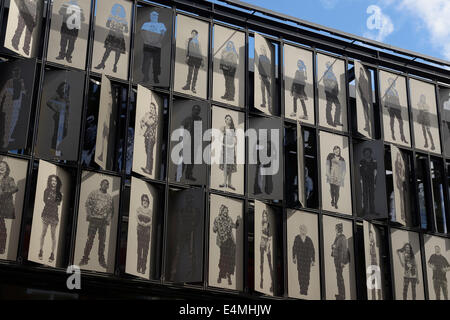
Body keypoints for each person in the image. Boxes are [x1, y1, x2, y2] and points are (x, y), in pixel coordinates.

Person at [79, 179, 114, 269]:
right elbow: (87, 204)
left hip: (103, 222)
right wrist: (89, 215)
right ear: (100, 184)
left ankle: (101, 260)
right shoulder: (94, 193)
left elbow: (111, 210)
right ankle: (85, 258)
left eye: (107, 184)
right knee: (90, 240)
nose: (105, 186)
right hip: (94, 220)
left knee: (102, 242)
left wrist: (108, 219)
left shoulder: (109, 197)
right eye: (104, 184)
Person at [169, 193, 201, 280]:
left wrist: (192, 226)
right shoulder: (182, 210)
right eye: (188, 199)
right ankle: (173, 273)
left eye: (191, 199)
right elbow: (179, 222)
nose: (189, 201)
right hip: (183, 233)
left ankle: (192, 274)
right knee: (178, 252)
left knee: (191, 254)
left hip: (190, 233)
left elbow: (197, 221)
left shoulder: (195, 210)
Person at [95, 4, 129, 73]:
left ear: (121, 11)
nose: (118, 10)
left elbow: (126, 30)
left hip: (119, 36)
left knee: (118, 52)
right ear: (115, 10)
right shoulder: (111, 16)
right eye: (117, 9)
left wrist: (121, 28)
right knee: (107, 51)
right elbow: (107, 24)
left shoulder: (124, 19)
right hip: (112, 35)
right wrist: (112, 25)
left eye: (119, 9)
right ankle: (102, 63)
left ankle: (115, 65)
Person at [213, 204, 240, 285]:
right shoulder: (217, 219)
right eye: (225, 211)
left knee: (230, 258)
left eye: (227, 211)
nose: (226, 212)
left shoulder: (229, 219)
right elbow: (214, 230)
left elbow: (235, 226)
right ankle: (220, 275)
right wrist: (216, 228)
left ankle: (229, 276)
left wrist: (238, 220)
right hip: (223, 241)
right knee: (223, 258)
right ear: (222, 211)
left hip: (230, 241)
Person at [38, 175, 62, 264]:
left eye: (55, 181)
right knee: (43, 233)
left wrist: (50, 200)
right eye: (52, 180)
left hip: (54, 216)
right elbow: (45, 201)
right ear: (50, 181)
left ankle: (52, 253)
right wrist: (52, 201)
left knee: (53, 235)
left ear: (57, 182)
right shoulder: (46, 190)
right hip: (46, 214)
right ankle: (40, 250)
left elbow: (58, 203)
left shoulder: (59, 193)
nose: (53, 182)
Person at [0, 67, 26, 148]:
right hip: (10, 105)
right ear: (13, 73)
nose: (17, 74)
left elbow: (24, 92)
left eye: (18, 72)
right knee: (8, 123)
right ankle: (6, 141)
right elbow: (2, 92)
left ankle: (8, 137)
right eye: (16, 72)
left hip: (16, 106)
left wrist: (22, 84)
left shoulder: (21, 82)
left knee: (13, 122)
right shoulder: (9, 82)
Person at [140, 10, 167, 83]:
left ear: (157, 17)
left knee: (156, 62)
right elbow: (142, 33)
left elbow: (163, 33)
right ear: (150, 16)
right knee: (146, 62)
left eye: (155, 15)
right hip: (147, 45)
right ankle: (145, 76)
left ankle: (156, 76)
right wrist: (147, 40)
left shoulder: (161, 24)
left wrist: (157, 41)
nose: (154, 17)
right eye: (152, 15)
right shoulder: (146, 24)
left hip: (157, 46)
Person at [47, 81, 70, 157]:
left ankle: (55, 149)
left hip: (65, 117)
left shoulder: (66, 97)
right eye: (64, 86)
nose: (65, 88)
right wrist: (56, 109)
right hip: (59, 116)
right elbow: (48, 102)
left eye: (66, 87)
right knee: (57, 133)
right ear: (61, 87)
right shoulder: (57, 95)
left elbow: (67, 109)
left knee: (64, 133)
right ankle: (53, 150)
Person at [180, 104, 202, 181]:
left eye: (198, 110)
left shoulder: (199, 120)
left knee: (192, 161)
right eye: (195, 110)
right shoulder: (187, 119)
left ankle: (188, 175)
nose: (197, 111)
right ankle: (179, 175)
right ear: (192, 110)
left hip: (194, 144)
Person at [0, 161, 18, 254]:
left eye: (4, 166)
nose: (1, 168)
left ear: (7, 169)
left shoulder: (9, 179)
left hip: (3, 206)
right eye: (0, 166)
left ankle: (2, 247)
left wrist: (3, 192)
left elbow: (15, 188)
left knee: (1, 226)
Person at [292, 224, 315, 296]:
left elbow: (312, 250)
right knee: (300, 274)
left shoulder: (309, 239)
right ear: (300, 230)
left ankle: (305, 290)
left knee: (307, 275)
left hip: (307, 260)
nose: (303, 230)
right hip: (300, 260)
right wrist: (294, 257)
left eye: (304, 229)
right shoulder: (297, 238)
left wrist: (313, 260)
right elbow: (294, 248)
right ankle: (301, 289)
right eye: (302, 229)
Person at [384, 78, 407, 143]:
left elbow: (398, 99)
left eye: (391, 82)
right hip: (391, 107)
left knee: (401, 122)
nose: (390, 83)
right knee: (392, 121)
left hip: (397, 107)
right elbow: (386, 98)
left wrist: (399, 107)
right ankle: (392, 134)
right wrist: (388, 106)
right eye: (389, 82)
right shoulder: (387, 90)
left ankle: (402, 136)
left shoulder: (395, 91)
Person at [331, 223, 349, 300]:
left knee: (340, 278)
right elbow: (335, 246)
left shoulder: (342, 238)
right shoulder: (337, 237)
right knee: (338, 277)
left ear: (338, 229)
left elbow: (344, 250)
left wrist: (342, 261)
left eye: (336, 228)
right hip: (336, 259)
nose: (335, 230)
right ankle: (340, 294)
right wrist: (333, 246)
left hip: (339, 259)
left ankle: (342, 295)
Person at [182, 30, 203, 94]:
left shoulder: (198, 42)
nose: (193, 35)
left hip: (198, 59)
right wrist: (187, 56)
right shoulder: (188, 40)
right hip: (191, 58)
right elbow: (186, 48)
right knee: (190, 72)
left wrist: (202, 60)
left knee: (195, 74)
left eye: (194, 34)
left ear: (197, 35)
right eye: (192, 33)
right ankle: (188, 85)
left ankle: (193, 87)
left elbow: (200, 51)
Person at [219, 115, 237, 191]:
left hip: (231, 149)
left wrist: (232, 144)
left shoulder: (233, 129)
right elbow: (220, 138)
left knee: (230, 166)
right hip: (224, 149)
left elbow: (235, 140)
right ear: (225, 120)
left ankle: (229, 183)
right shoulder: (223, 128)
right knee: (225, 166)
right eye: (227, 119)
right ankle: (224, 182)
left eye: (230, 119)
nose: (229, 121)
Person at [139, 102, 157, 175]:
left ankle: (149, 169)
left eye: (152, 108)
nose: (151, 109)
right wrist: (143, 121)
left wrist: (145, 120)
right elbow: (141, 120)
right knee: (147, 151)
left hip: (151, 137)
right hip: (147, 135)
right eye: (150, 108)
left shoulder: (155, 116)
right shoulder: (148, 114)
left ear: (155, 108)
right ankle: (149, 167)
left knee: (149, 152)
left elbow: (150, 122)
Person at [326, 146, 346, 210]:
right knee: (332, 189)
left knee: (337, 191)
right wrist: (328, 174)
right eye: (335, 151)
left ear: (340, 151)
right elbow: (327, 165)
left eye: (338, 151)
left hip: (338, 177)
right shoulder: (330, 156)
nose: (337, 152)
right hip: (331, 175)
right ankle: (332, 200)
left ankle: (336, 203)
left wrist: (342, 178)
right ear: (333, 151)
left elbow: (344, 170)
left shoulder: (342, 159)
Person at [136, 194, 152, 275]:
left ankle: (143, 268)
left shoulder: (150, 211)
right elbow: (137, 218)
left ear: (148, 202)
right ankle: (138, 267)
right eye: (143, 200)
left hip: (147, 232)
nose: (145, 201)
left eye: (146, 200)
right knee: (139, 250)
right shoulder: (139, 209)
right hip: (140, 230)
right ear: (141, 201)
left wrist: (147, 224)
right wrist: (141, 223)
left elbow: (151, 221)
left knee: (145, 250)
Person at [323, 61, 342, 127]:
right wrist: (331, 87)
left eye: (331, 65)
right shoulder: (326, 73)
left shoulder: (332, 73)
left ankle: (336, 120)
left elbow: (336, 83)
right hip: (329, 92)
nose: (331, 67)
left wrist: (336, 91)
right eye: (329, 65)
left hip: (334, 93)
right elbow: (325, 81)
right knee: (329, 106)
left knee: (338, 106)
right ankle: (330, 121)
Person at [359, 147, 377, 216]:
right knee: (365, 195)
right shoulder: (362, 161)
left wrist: (375, 181)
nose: (367, 154)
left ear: (370, 153)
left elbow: (375, 171)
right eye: (365, 153)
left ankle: (372, 210)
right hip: (364, 180)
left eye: (368, 153)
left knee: (372, 196)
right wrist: (360, 179)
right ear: (364, 154)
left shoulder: (374, 161)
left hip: (371, 180)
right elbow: (359, 171)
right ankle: (365, 210)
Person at [259, 210, 274, 292]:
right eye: (263, 216)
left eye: (265, 216)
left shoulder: (268, 225)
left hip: (267, 244)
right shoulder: (260, 223)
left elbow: (270, 237)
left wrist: (268, 246)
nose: (264, 218)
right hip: (261, 243)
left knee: (269, 263)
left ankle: (272, 282)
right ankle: (261, 280)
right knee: (261, 263)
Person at [368, 228, 382, 300]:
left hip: (375, 265)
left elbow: (374, 254)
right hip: (370, 266)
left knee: (377, 282)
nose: (371, 238)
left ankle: (379, 297)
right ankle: (373, 297)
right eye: (370, 236)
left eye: (372, 236)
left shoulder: (374, 245)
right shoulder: (369, 245)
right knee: (372, 283)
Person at [358, 67, 372, 133]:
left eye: (362, 71)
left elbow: (368, 89)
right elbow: (360, 89)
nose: (361, 73)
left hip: (366, 97)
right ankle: (367, 125)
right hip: (363, 97)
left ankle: (369, 125)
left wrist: (367, 96)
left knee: (367, 111)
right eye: (360, 72)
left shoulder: (364, 80)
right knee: (365, 112)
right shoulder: (360, 79)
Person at [258, 46, 271, 111]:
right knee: (262, 90)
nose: (262, 51)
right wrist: (260, 74)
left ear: (265, 51)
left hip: (267, 77)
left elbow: (269, 68)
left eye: (263, 50)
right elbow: (259, 66)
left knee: (268, 91)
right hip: (262, 76)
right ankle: (264, 103)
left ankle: (269, 105)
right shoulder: (260, 57)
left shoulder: (268, 59)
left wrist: (269, 77)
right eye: (261, 50)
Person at [394, 151, 406, 222]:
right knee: (400, 199)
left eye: (399, 157)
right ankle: (402, 214)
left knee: (402, 199)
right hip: (399, 183)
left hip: (402, 183)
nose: (398, 159)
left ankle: (403, 214)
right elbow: (396, 174)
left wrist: (402, 179)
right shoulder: (397, 165)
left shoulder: (402, 166)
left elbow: (403, 175)